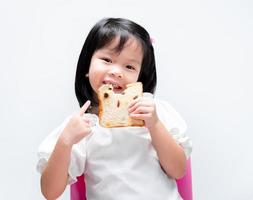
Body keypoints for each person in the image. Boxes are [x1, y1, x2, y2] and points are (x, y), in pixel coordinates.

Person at [37, 17, 192, 200]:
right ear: (87, 65)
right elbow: (50, 192)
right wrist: (65, 142)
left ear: (140, 76)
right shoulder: (82, 125)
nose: (117, 71)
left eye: (129, 66)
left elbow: (178, 170)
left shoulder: (155, 111)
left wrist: (155, 124)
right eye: (107, 59)